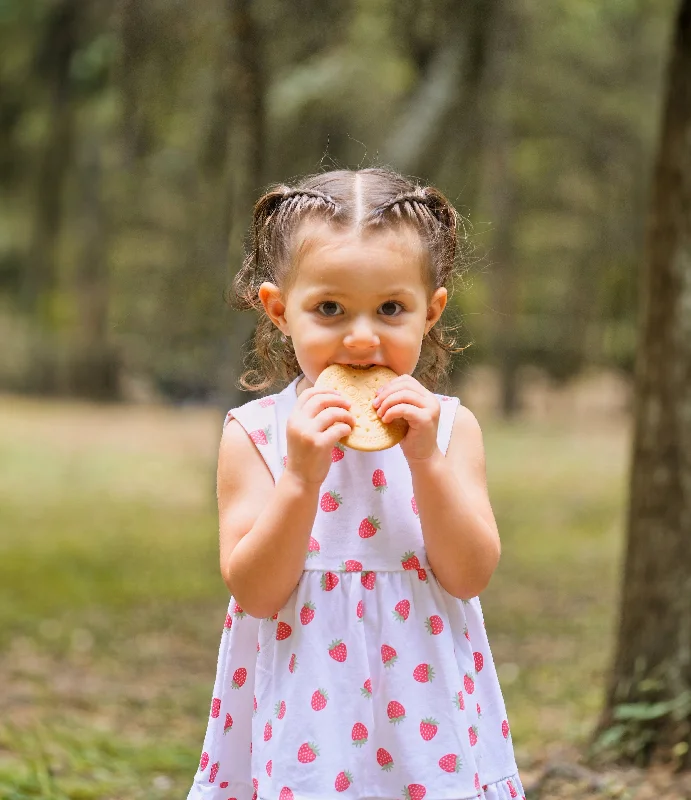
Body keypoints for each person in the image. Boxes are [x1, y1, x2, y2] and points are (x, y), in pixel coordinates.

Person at [186, 167, 525, 800]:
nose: (363, 337)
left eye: (391, 309)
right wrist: (299, 480)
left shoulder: (452, 430)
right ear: (280, 310)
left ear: (431, 312)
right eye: (330, 309)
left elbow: (469, 574)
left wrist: (426, 461)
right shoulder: (257, 435)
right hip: (307, 704)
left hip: (425, 707)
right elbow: (256, 592)